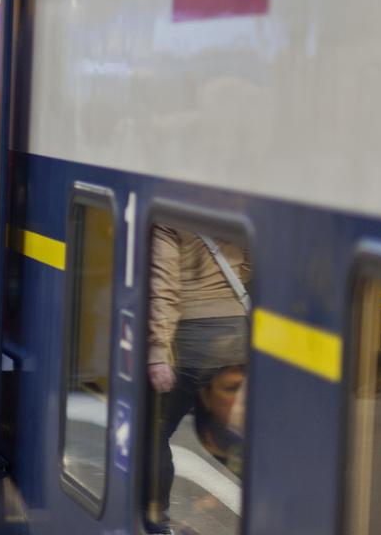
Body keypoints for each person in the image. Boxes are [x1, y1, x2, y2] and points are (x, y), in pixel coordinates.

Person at [145, 225, 251, 535]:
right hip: (236, 333)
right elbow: (250, 264)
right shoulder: (231, 205)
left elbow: (163, 288)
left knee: (153, 435)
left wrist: (157, 351)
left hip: (193, 340)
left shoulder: (168, 215)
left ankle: (156, 521)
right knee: (231, 431)